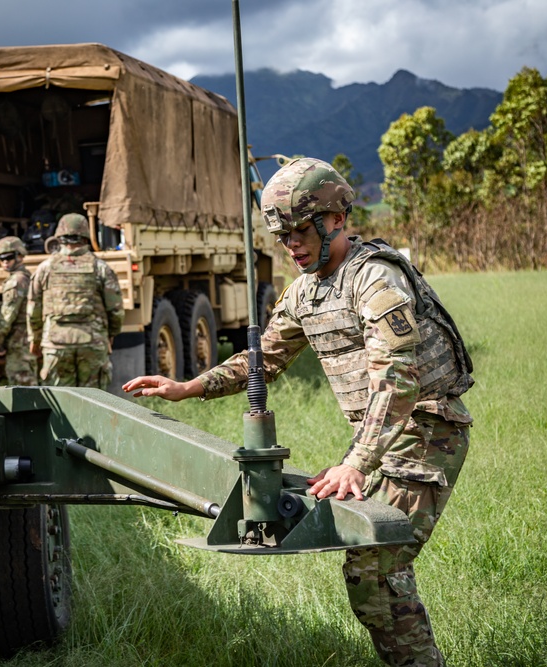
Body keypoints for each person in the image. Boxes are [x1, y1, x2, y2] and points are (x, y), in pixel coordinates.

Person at [122, 157, 474, 667]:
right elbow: (263, 358)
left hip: (427, 429)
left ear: (336, 220)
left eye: (301, 231)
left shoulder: (374, 279)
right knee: (372, 572)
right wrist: (189, 386)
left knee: (372, 571)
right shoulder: (305, 291)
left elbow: (398, 380)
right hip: (383, 437)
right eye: (283, 236)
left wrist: (355, 463)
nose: (293, 246)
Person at [27, 213, 124, 389]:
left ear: (59, 238)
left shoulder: (45, 268)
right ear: (86, 237)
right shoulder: (101, 268)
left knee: (60, 402)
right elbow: (115, 309)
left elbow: (33, 309)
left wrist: (35, 339)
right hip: (92, 342)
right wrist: (111, 335)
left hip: (55, 344)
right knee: (94, 402)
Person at [0, 236, 38, 386]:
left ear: (20, 256)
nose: (5, 262)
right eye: (1, 258)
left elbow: (8, 314)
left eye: (9, 257)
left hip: (20, 341)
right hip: (27, 338)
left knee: (21, 383)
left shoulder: (16, 281)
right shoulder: (27, 277)